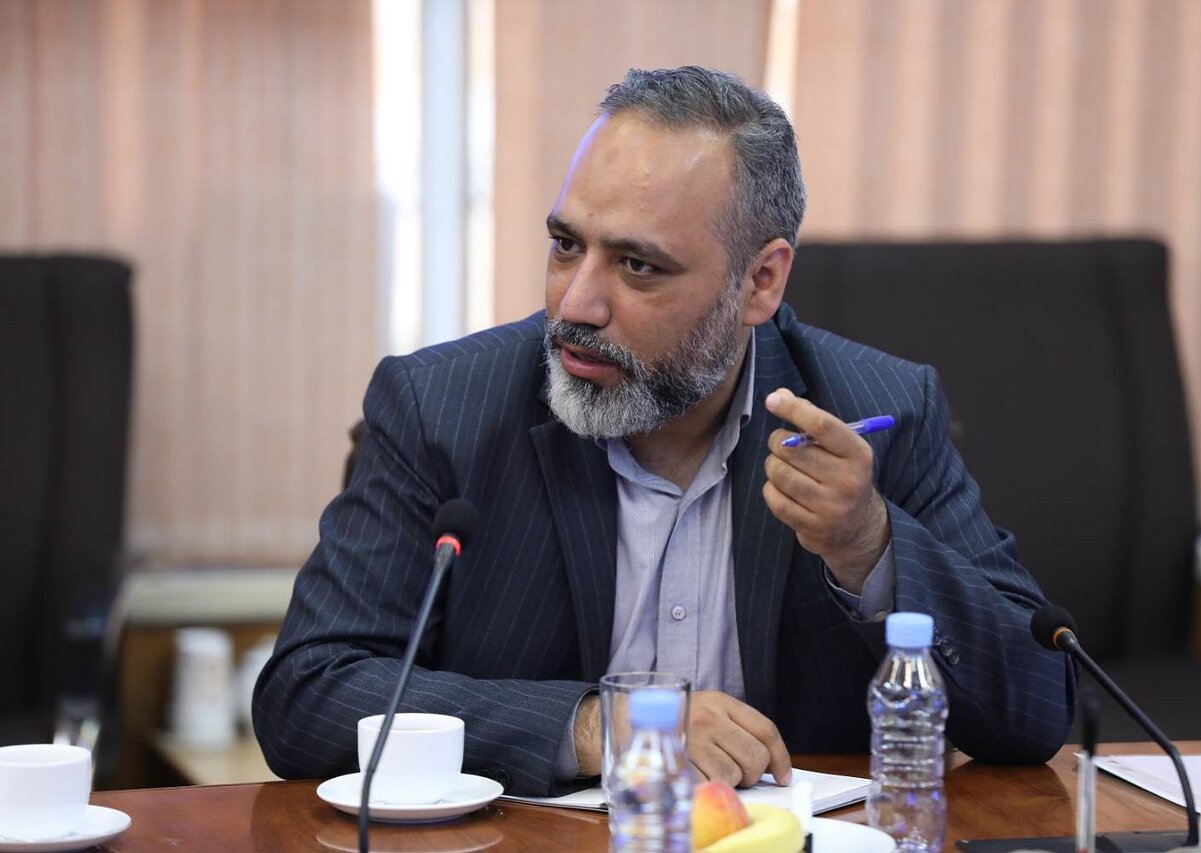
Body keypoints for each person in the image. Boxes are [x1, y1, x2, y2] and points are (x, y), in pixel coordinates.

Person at [253, 66, 1073, 796]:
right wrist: (599, 726)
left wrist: (868, 545)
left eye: (637, 265)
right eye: (565, 245)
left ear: (761, 282)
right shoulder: (442, 408)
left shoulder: (876, 412)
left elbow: (1039, 706)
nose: (577, 304)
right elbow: (309, 694)